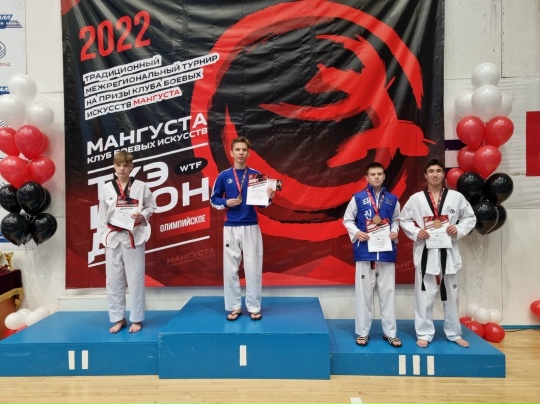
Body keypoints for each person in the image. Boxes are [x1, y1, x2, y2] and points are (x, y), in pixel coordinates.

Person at [399, 159, 476, 348]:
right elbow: (404, 219)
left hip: (449, 252)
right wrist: (417, 231)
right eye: (431, 171)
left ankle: (454, 333)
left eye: (439, 171)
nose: (435, 174)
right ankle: (424, 333)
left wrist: (458, 229)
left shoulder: (456, 197)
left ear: (443, 174)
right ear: (425, 175)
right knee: (424, 295)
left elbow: (469, 217)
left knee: (452, 295)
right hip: (426, 252)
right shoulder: (416, 199)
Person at [210, 136, 276, 321]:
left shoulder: (256, 175)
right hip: (231, 227)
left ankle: (254, 307)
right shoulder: (224, 176)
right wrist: (226, 202)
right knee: (230, 269)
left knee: (253, 267)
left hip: (251, 225)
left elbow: (262, 204)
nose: (241, 153)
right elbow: (213, 199)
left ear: (248, 153)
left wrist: (269, 197)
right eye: (237, 149)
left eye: (244, 150)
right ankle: (234, 307)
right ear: (231, 153)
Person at [343, 162, 402, 348]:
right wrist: (356, 232)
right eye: (373, 174)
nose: (376, 177)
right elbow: (347, 220)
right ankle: (362, 332)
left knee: (388, 294)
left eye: (379, 174)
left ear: (384, 176)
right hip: (365, 252)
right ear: (367, 177)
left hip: (386, 252)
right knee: (364, 295)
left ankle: (390, 333)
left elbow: (396, 220)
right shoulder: (358, 198)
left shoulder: (393, 199)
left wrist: (395, 231)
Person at [98, 150, 157, 333]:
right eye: (118, 165)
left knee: (135, 278)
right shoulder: (107, 188)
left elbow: (151, 206)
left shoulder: (141, 186)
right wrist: (103, 236)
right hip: (113, 237)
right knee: (113, 280)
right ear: (114, 166)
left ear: (131, 167)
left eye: (125, 165)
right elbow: (102, 215)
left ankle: (136, 318)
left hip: (134, 236)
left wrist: (143, 215)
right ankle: (118, 318)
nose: (122, 168)